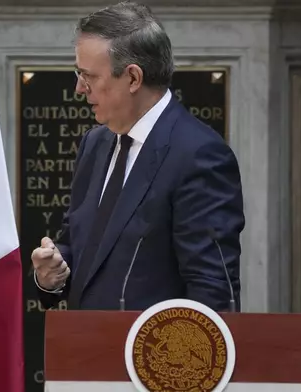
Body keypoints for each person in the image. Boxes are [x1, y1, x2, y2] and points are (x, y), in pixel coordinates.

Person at [31, 1, 245, 312]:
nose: (79, 88)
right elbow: (79, 245)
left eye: (88, 76)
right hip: (83, 350)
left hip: (152, 355)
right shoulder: (95, 142)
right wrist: (52, 274)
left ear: (132, 78)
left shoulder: (199, 155)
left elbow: (211, 291)